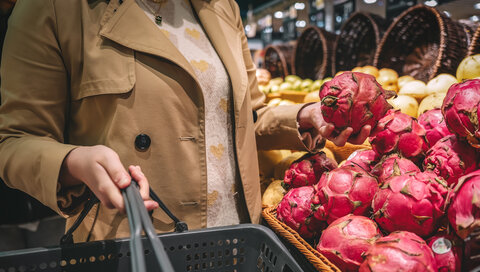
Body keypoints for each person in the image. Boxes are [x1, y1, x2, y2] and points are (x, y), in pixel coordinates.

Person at [0, 0, 370, 242]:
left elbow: (247, 117)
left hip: (240, 241)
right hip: (133, 246)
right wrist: (73, 162)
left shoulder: (222, 8)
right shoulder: (53, 8)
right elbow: (14, 140)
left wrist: (305, 116)